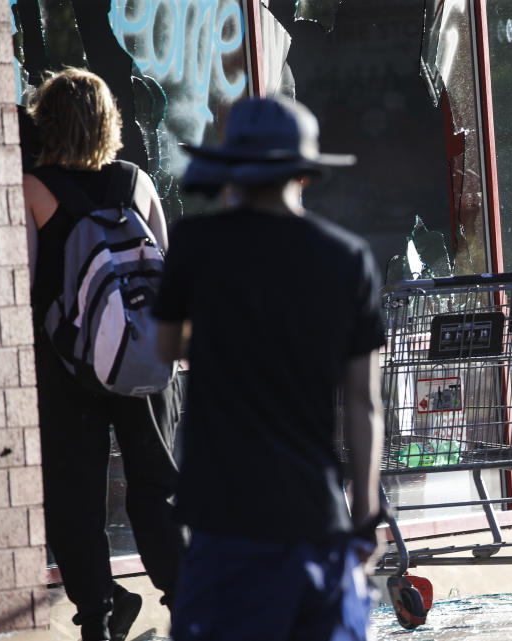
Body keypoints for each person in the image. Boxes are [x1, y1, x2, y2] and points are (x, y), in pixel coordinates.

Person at [151, 95, 386, 641]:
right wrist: (366, 514)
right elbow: (363, 402)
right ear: (305, 174)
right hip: (315, 517)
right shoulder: (347, 258)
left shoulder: (197, 244)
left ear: (233, 169)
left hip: (224, 518)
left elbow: (165, 347)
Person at [22, 68, 186, 641]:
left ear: (48, 123)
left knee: (76, 493)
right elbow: (166, 264)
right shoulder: (136, 182)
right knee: (157, 485)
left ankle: (98, 615)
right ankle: (184, 601)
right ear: (108, 121)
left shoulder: (34, 189)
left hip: (67, 369)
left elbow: (24, 284)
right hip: (143, 360)